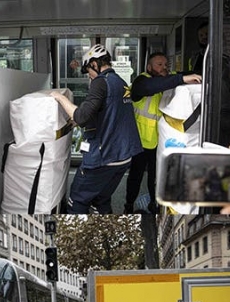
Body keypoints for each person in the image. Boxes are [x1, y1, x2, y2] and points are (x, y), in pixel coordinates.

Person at [51, 44, 142, 214]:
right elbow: (109, 112)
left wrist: (60, 98)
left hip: (104, 158)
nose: (89, 76)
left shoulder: (101, 82)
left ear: (94, 63)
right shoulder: (120, 82)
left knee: (77, 198)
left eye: (88, 70)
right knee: (101, 200)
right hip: (124, 157)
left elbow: (81, 116)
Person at [124, 52, 202, 214]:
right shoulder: (141, 81)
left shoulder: (169, 78)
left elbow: (185, 75)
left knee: (156, 176)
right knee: (136, 176)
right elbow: (149, 87)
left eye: (166, 64)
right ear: (149, 67)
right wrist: (180, 79)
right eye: (159, 64)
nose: (164, 67)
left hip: (161, 142)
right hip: (141, 142)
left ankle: (154, 204)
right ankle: (128, 205)